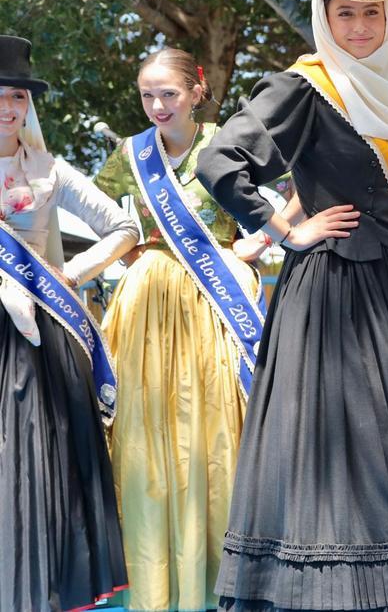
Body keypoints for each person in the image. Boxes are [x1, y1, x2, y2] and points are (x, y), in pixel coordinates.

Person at [196, 0, 388, 610]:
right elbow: (218, 158)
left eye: (371, 13)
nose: (359, 27)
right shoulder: (305, 86)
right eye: (345, 14)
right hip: (332, 296)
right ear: (324, 17)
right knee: (340, 451)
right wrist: (284, 227)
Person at [96, 48, 276, 611]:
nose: (156, 106)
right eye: (147, 95)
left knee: (221, 435)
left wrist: (258, 244)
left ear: (197, 91)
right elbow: (107, 223)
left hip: (215, 304)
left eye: (168, 94)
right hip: (146, 306)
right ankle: (153, 586)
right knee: (146, 442)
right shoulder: (130, 155)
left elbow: (294, 200)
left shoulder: (229, 141)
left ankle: (231, 582)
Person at [0, 34, 138, 610]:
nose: (7, 109)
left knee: (32, 456)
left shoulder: (49, 170)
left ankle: (37, 584)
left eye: (17, 98)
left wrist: (70, 275)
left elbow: (123, 227)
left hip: (38, 334)